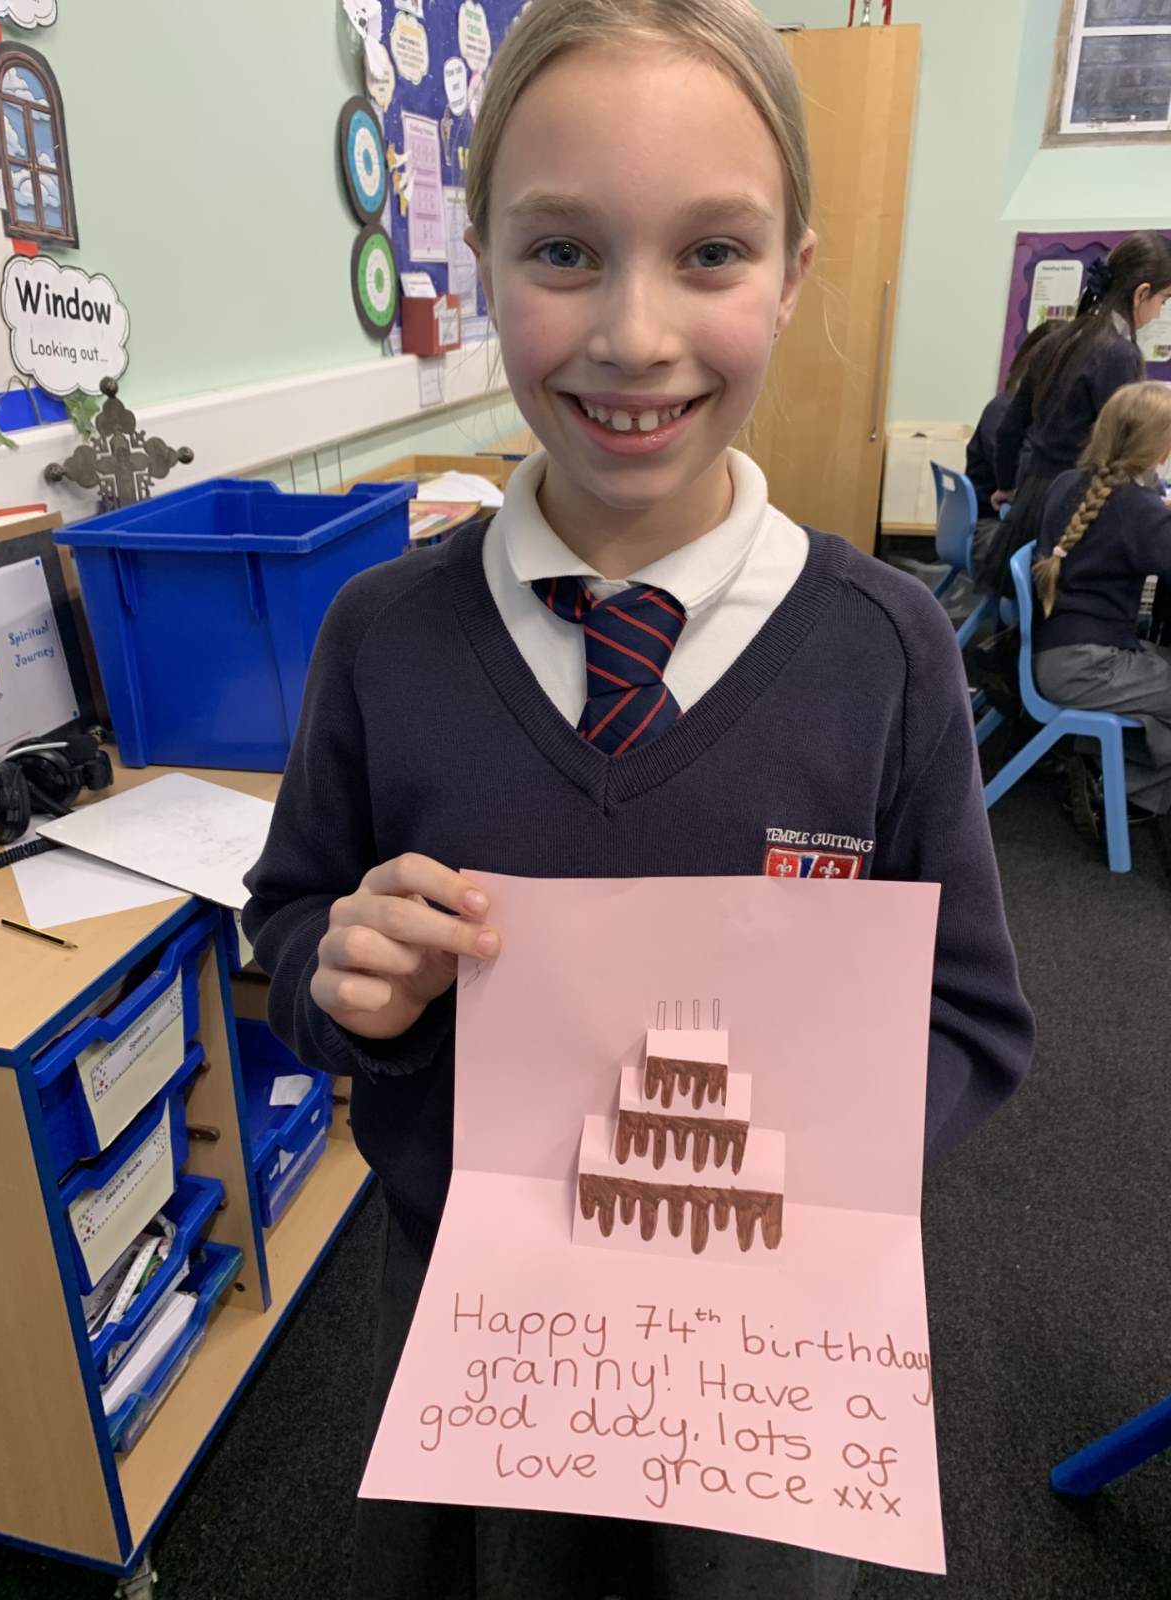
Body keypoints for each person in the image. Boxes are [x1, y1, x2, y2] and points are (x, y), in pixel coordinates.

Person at [242, 3, 1035, 1596]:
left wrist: (822, 1147)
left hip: (758, 1361)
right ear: (482, 262)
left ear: (793, 272)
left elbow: (972, 1018)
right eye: (561, 253)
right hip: (476, 1340)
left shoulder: (887, 655)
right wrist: (345, 982)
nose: (634, 333)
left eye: (712, 253)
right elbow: (293, 928)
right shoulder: (381, 639)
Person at [979, 231, 1171, 598]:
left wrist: (1006, 486)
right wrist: (1156, 498)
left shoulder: (1057, 339)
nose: (1160, 312)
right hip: (1072, 514)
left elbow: (1009, 429)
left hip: (1031, 505)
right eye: (1164, 300)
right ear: (1142, 293)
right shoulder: (1120, 354)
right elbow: (1130, 445)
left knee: (1027, 620)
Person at [1032, 381, 1171, 825]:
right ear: (1160, 448)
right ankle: (1120, 790)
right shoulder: (1137, 510)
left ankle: (1103, 770)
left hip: (1061, 651)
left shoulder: (1069, 484)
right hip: (1087, 666)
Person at [964, 321, 1059, 574]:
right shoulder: (1004, 411)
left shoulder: (1036, 414)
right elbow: (1017, 482)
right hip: (991, 525)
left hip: (1008, 521)